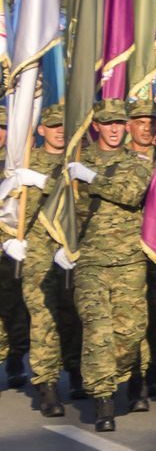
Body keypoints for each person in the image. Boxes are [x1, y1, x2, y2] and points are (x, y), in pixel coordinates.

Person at [71, 100, 150, 430]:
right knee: (97, 330)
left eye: (120, 123)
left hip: (129, 260)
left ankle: (113, 374)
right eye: (109, 123)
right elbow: (57, 204)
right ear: (96, 127)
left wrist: (91, 178)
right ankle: (103, 396)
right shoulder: (76, 161)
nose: (116, 129)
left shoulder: (137, 163)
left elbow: (131, 194)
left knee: (130, 332)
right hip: (89, 260)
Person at [7, 109, 82, 416]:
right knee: (43, 319)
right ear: (40, 129)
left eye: (64, 126)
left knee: (74, 316)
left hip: (72, 250)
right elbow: (7, 207)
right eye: (53, 126)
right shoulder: (24, 163)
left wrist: (44, 182)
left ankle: (77, 371)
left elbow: (81, 197)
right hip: (38, 252)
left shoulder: (77, 162)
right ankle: (47, 383)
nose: (59, 131)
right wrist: (9, 240)